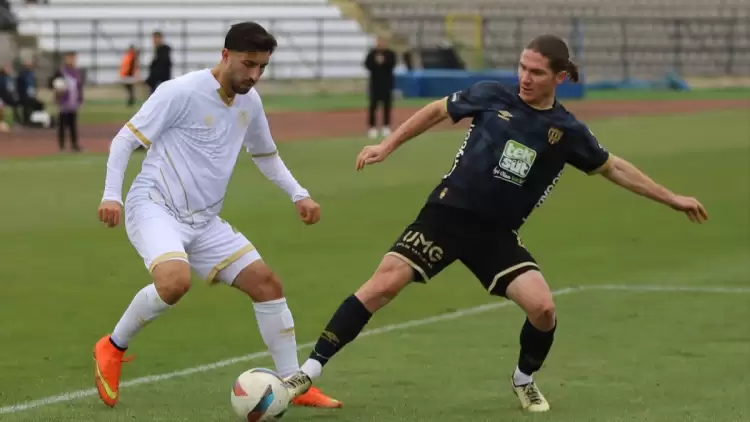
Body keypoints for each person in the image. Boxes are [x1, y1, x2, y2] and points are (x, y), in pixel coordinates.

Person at [283, 34, 709, 412]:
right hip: (446, 215)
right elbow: (435, 111)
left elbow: (614, 168)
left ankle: (524, 380)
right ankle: (308, 371)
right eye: (522, 67)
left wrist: (672, 198)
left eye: (537, 72)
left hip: (494, 235)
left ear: (560, 77)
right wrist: (386, 145)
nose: (525, 77)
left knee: (543, 309)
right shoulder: (491, 95)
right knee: (382, 285)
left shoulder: (566, 131)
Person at [93, 21, 342, 410]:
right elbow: (125, 140)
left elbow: (266, 155)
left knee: (267, 284)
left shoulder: (250, 102)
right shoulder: (180, 91)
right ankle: (111, 347)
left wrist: (299, 194)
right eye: (248, 65)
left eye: (262, 68)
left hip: (205, 221)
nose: (255, 76)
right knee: (175, 282)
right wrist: (112, 195)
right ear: (225, 55)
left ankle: (296, 383)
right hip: (155, 206)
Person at [49, 51, 83, 152]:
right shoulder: (61, 72)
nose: (72, 60)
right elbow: (53, 84)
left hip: (73, 102)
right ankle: (62, 146)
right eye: (70, 58)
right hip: (64, 102)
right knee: (62, 124)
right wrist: (57, 95)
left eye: (73, 58)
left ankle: (74, 144)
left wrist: (80, 99)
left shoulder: (76, 72)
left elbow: (79, 87)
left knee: (73, 125)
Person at [364, 36, 397, 139]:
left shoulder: (390, 54)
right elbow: (367, 65)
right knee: (373, 106)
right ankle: (372, 127)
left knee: (387, 106)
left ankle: (386, 126)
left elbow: (393, 64)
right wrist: (375, 62)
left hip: (387, 84)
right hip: (375, 85)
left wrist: (384, 61)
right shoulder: (372, 54)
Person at [145, 30, 172, 95]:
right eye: (154, 38)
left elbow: (161, 67)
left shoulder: (164, 51)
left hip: (160, 81)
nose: (154, 40)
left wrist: (151, 79)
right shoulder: (156, 50)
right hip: (156, 81)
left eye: (156, 38)